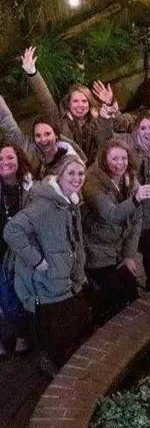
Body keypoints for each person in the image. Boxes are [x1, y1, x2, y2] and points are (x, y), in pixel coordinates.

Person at [4, 155, 91, 371]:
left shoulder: (70, 202)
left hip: (65, 279)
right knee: (55, 339)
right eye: (71, 173)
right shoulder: (43, 205)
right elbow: (12, 230)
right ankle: (49, 363)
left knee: (77, 328)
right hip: (46, 286)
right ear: (59, 175)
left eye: (81, 173)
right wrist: (37, 260)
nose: (77, 178)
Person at [100, 109, 150, 288]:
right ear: (137, 131)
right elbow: (108, 141)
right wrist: (105, 120)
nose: (147, 132)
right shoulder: (130, 146)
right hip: (140, 209)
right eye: (143, 128)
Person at [82, 141, 150, 321]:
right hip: (97, 252)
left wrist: (129, 256)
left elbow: (136, 222)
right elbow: (111, 214)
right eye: (114, 158)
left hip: (118, 251)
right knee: (115, 302)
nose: (120, 163)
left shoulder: (130, 179)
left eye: (124, 158)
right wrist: (136, 199)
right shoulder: (93, 183)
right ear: (104, 160)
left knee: (133, 297)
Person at [21, 46, 111, 164]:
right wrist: (32, 73)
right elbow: (45, 99)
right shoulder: (59, 120)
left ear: (90, 103)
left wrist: (109, 106)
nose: (80, 105)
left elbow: (108, 138)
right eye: (75, 101)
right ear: (68, 104)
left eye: (84, 101)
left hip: (97, 167)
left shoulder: (98, 118)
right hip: (69, 168)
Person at [0, 94, 84, 180]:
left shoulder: (70, 160)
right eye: (38, 135)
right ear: (33, 138)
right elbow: (6, 120)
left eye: (47, 134)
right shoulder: (28, 149)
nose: (43, 139)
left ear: (56, 135)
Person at [0, 145, 33, 356]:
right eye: (0, 158)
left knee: (23, 296)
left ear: (19, 160)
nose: (5, 162)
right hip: (1, 251)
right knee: (7, 299)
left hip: (24, 251)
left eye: (10, 157)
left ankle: (23, 334)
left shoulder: (30, 187)